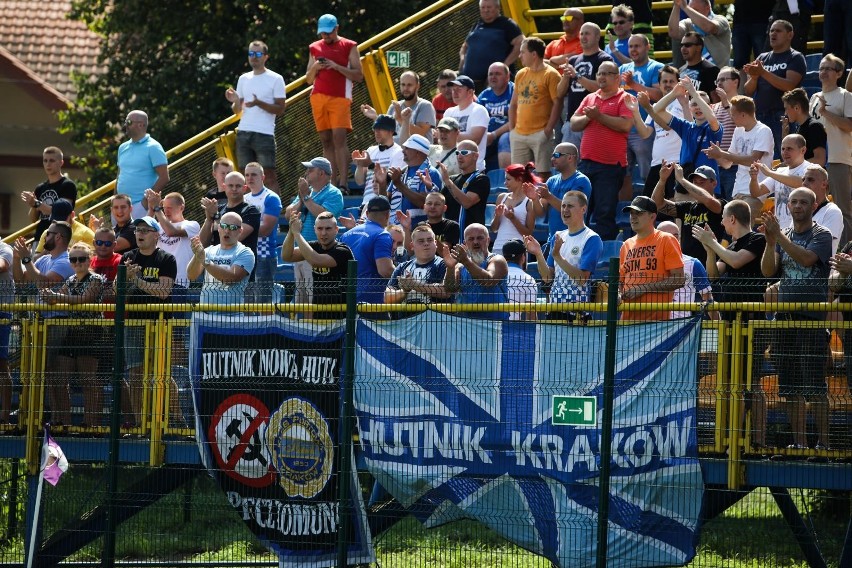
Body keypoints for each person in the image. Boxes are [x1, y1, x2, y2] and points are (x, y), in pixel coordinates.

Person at [760, 188, 832, 450]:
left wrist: (778, 235)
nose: (798, 206)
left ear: (813, 206)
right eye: (794, 202)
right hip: (784, 318)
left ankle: (824, 444)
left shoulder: (821, 235)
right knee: (789, 386)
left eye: (804, 202)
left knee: (815, 386)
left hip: (811, 318)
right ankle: (799, 443)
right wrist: (770, 243)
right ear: (788, 206)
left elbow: (805, 260)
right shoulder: (783, 236)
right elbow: (768, 271)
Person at [693, 200, 770, 447]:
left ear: (733, 219)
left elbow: (736, 261)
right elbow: (713, 275)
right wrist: (709, 249)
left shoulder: (756, 240)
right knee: (730, 382)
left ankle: (758, 440)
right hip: (729, 324)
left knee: (752, 383)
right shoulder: (732, 244)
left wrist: (714, 242)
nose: (722, 222)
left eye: (724, 218)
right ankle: (730, 437)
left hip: (752, 323)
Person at [12, 221, 75, 426]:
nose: (44, 237)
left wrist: (28, 258)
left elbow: (44, 282)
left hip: (57, 322)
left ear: (58, 237)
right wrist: (16, 257)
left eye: (48, 233)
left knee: (53, 373)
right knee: (47, 372)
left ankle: (61, 420)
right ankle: (55, 418)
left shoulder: (65, 261)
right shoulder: (44, 259)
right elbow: (21, 280)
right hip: (41, 322)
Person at [40, 243, 106, 427]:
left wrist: (57, 297)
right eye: (73, 259)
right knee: (59, 378)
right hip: (72, 332)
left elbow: (85, 299)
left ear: (89, 260)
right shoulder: (70, 281)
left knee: (88, 380)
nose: (77, 263)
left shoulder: (96, 279)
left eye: (81, 259)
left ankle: (90, 423)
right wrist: (49, 295)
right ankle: (65, 422)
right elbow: (56, 299)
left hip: (91, 333)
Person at [120, 216, 176, 429]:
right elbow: (118, 293)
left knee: (161, 374)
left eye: (145, 230)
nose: (140, 233)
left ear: (156, 235)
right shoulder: (128, 257)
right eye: (137, 230)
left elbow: (163, 292)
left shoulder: (166, 259)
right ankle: (140, 423)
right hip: (134, 325)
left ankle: (174, 420)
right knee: (135, 375)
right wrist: (125, 280)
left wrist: (137, 280)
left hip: (160, 324)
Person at [569, 60, 633, 241]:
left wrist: (598, 116)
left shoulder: (625, 98)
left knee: (605, 212)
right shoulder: (590, 98)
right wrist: (589, 118)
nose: (601, 77)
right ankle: (580, 246)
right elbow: (574, 123)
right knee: (581, 210)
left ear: (617, 78)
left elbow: (625, 125)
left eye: (606, 74)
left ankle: (605, 254)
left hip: (610, 166)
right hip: (587, 163)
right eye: (599, 73)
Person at [306, 13, 364, 190]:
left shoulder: (349, 45)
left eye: (329, 33)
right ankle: (330, 183)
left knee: (339, 138)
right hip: (318, 97)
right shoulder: (314, 47)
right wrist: (316, 66)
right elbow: (308, 79)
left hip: (340, 97)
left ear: (336, 28)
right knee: (326, 140)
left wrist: (336, 66)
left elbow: (359, 75)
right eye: (323, 33)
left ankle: (343, 182)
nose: (326, 36)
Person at [526, 191, 602, 321]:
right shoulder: (558, 236)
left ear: (583, 209)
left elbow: (582, 279)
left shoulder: (591, 238)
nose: (565, 210)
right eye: (563, 206)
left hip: (576, 314)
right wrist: (538, 253)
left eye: (570, 206)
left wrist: (558, 257)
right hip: (554, 311)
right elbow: (547, 277)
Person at [640, 77, 722, 192]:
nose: (697, 107)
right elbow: (658, 110)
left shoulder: (713, 127)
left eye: (701, 103)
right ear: (690, 108)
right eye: (694, 104)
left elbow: (712, 119)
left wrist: (694, 93)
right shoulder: (685, 127)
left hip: (707, 188)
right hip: (685, 187)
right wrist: (674, 93)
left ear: (710, 107)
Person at [224, 40, 286, 191]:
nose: (254, 57)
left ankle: (274, 212)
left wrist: (259, 103)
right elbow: (237, 110)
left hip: (264, 133)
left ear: (266, 57)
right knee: (245, 177)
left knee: (268, 175)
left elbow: (280, 109)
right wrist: (236, 100)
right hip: (244, 132)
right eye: (251, 53)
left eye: (258, 54)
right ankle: (247, 212)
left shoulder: (276, 78)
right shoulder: (244, 78)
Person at [283, 157, 344, 306]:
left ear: (321, 173)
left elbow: (323, 215)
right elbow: (287, 214)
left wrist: (305, 197)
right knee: (301, 299)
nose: (306, 173)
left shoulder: (334, 193)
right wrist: (302, 198)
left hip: (318, 252)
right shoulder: (306, 191)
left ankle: (312, 328)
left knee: (312, 299)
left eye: (310, 170)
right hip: (300, 251)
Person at [743, 20, 806, 159]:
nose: (773, 34)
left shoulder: (795, 57)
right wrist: (754, 77)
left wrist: (763, 72)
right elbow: (748, 91)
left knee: (785, 157)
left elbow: (790, 86)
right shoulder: (762, 58)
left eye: (778, 31)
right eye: (771, 30)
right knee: (760, 159)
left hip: (783, 117)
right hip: (759, 115)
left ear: (790, 35)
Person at [705, 95, 774, 216]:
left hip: (755, 193)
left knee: (741, 228)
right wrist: (717, 155)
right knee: (730, 227)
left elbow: (753, 160)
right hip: (737, 191)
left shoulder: (763, 130)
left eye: (733, 114)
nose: (731, 117)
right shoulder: (738, 131)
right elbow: (727, 164)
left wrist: (722, 153)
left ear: (743, 114)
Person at [619, 196, 685, 321]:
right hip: (627, 323)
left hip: (655, 326)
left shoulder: (666, 239)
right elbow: (621, 282)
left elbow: (679, 280)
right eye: (631, 213)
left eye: (638, 213)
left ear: (652, 216)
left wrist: (643, 289)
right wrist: (618, 295)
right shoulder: (626, 245)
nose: (633, 217)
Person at [809, 54, 852, 243]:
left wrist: (825, 112)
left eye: (828, 69)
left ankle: (845, 252)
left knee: (843, 209)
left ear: (839, 73)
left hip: (838, 159)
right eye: (821, 68)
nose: (823, 72)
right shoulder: (814, 97)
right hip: (815, 162)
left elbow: (849, 125)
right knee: (815, 205)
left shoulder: (846, 96)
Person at [281, 211, 352, 319]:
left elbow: (316, 260)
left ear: (336, 230)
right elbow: (287, 256)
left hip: (341, 317)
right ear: (315, 229)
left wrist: (297, 234)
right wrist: (291, 231)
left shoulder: (342, 251)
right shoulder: (314, 246)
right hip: (318, 315)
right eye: (320, 229)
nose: (323, 233)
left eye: (328, 228)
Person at [651, 162, 724, 265]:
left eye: (702, 182)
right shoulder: (687, 207)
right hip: (687, 266)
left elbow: (708, 200)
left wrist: (681, 180)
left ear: (714, 183)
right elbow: (657, 204)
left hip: (710, 266)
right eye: (695, 182)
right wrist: (662, 180)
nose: (697, 185)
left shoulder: (720, 204)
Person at [509, 37, 561, 174]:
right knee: (518, 174)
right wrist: (512, 130)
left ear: (534, 54)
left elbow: (558, 103)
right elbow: (513, 104)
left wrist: (548, 130)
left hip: (541, 133)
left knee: (543, 174)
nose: (519, 56)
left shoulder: (551, 74)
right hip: (519, 134)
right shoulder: (521, 74)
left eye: (522, 52)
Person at [558, 23, 614, 148]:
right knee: (568, 163)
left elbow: (603, 88)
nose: (583, 37)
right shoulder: (573, 60)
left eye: (587, 33)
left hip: (595, 122)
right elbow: (560, 93)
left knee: (591, 164)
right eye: (581, 33)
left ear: (597, 37)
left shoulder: (604, 59)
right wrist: (566, 76)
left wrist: (577, 75)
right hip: (572, 121)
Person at [619, 34, 664, 187]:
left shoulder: (656, 67)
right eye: (631, 46)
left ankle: (650, 206)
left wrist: (633, 84)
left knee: (649, 175)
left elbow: (659, 95)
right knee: (623, 176)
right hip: (623, 129)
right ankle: (624, 209)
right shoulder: (622, 69)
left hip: (645, 130)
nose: (633, 50)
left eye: (637, 46)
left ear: (647, 47)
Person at [442, 223, 509, 320]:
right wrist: (450, 267)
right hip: (468, 325)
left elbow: (488, 281)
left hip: (495, 324)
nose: (475, 242)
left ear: (488, 240)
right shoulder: (460, 266)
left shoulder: (497, 260)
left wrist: (466, 261)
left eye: (480, 238)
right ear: (465, 243)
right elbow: (450, 289)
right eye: (471, 239)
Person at [187, 212, 256, 307]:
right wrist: (197, 254)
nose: (227, 231)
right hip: (205, 314)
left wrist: (205, 261)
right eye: (224, 226)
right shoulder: (208, 251)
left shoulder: (245, 253)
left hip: (231, 316)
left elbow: (231, 279)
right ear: (219, 228)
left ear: (240, 231)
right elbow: (191, 276)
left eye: (232, 228)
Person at [639, 66, 688, 199]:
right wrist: (633, 111)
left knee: (672, 207)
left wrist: (648, 107)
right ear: (659, 85)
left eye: (671, 81)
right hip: (658, 163)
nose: (667, 85)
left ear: (678, 83)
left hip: (676, 162)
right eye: (664, 82)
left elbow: (667, 126)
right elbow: (645, 133)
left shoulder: (683, 103)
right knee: (648, 206)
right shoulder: (656, 106)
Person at [748, 134, 811, 229]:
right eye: (783, 149)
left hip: (801, 230)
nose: (785, 152)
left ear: (803, 150)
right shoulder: (779, 172)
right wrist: (753, 178)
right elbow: (756, 192)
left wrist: (770, 173)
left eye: (789, 149)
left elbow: (802, 182)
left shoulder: (811, 169)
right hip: (780, 231)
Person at [458, 0, 524, 91]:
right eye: (483, 7)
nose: (486, 10)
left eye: (489, 7)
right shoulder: (477, 24)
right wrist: (462, 63)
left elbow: (521, 43)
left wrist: (504, 66)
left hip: (494, 82)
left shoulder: (507, 24)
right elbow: (465, 46)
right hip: (470, 82)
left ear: (498, 8)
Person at [340, 196, 395, 304]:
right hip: (371, 300)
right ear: (388, 214)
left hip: (346, 298)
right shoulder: (382, 235)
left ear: (368, 213)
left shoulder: (346, 234)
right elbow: (385, 270)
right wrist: (403, 278)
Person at [655, 221, 715, 319]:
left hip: (682, 328)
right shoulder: (647, 264)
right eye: (666, 237)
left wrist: (718, 328)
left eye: (675, 236)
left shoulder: (693, 264)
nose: (672, 240)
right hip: (652, 327)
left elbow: (708, 299)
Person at [117, 110, 170, 219]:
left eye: (129, 122)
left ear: (141, 124)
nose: (125, 125)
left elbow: (164, 177)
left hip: (140, 207)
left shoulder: (153, 147)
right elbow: (119, 176)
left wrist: (144, 203)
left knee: (138, 236)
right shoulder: (122, 147)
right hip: (120, 207)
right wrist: (115, 200)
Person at [20, 146, 77, 245]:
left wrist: (36, 203)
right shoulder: (40, 188)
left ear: (61, 163)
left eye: (52, 160)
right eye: (45, 161)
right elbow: (33, 219)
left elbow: (62, 213)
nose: (48, 164)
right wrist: (33, 204)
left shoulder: (68, 185)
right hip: (40, 238)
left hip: (59, 238)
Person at [242, 162, 282, 302]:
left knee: (262, 302)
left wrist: (242, 228)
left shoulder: (271, 197)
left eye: (254, 174)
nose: (249, 178)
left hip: (264, 255)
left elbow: (265, 230)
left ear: (262, 177)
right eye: (247, 175)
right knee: (246, 302)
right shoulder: (244, 199)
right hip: (246, 254)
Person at [536, 143, 592, 243]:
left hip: (574, 240)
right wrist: (533, 198)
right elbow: (540, 212)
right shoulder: (551, 181)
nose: (553, 159)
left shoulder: (581, 180)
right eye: (552, 155)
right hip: (553, 240)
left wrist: (548, 196)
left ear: (570, 158)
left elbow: (571, 210)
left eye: (557, 155)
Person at [361, 70, 436, 143]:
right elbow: (385, 135)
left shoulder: (425, 106)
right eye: (403, 85)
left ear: (417, 86)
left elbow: (420, 134)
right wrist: (375, 117)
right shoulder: (394, 107)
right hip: (395, 153)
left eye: (409, 85)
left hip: (417, 154)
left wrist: (400, 119)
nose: (405, 88)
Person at [384, 224, 449, 308]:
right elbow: (387, 298)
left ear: (435, 243)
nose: (426, 243)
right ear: (412, 246)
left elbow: (446, 291)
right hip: (406, 320)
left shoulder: (445, 264)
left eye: (430, 240)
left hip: (435, 320)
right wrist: (404, 291)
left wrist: (414, 285)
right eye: (421, 241)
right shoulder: (401, 267)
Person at [145, 191, 200, 287]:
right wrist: (151, 208)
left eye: (169, 208)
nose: (166, 211)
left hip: (178, 281)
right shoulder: (159, 225)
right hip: (156, 279)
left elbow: (172, 232)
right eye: (164, 208)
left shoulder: (192, 225)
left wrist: (157, 209)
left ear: (181, 208)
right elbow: (143, 232)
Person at [352, 114, 406, 211]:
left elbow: (390, 179)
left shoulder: (399, 152)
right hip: (366, 204)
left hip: (384, 204)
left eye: (380, 129)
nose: (376, 132)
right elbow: (359, 181)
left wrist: (370, 165)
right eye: (375, 129)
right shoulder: (370, 150)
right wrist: (360, 165)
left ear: (391, 131)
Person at [199, 171, 261, 255]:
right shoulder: (219, 209)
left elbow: (235, 238)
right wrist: (209, 219)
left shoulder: (251, 211)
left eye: (238, 186)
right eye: (230, 185)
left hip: (240, 264)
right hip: (216, 262)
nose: (234, 189)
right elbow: (202, 244)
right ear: (224, 187)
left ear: (245, 188)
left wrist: (216, 216)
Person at [383, 134, 441, 222]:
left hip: (420, 231)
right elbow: (385, 202)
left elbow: (424, 203)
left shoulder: (431, 173)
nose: (403, 151)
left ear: (418, 152)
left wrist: (399, 184)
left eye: (407, 148)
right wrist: (381, 183)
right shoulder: (401, 172)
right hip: (397, 228)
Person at [438, 140, 490, 233]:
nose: (459, 156)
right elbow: (439, 202)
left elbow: (467, 203)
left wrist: (447, 181)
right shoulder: (452, 179)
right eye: (457, 153)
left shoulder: (481, 179)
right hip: (451, 235)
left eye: (464, 153)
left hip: (472, 237)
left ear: (476, 156)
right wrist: (430, 187)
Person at [444, 75, 490, 171]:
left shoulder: (479, 110)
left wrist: (449, 135)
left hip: (473, 169)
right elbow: (442, 140)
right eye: (453, 89)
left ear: (470, 92)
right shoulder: (448, 112)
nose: (454, 92)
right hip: (449, 167)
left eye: (459, 89)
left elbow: (474, 140)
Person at [668, 0, 731, 68]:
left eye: (694, 10)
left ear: (707, 8)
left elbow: (709, 27)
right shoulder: (688, 23)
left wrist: (686, 8)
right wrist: (676, 6)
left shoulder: (720, 20)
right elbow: (673, 33)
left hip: (721, 74)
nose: (691, 13)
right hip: (695, 74)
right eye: (690, 9)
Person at [490, 163, 537, 254]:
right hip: (498, 248)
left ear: (519, 179)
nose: (505, 183)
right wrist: (497, 216)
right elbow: (494, 229)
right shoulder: (501, 197)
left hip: (518, 250)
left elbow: (528, 233)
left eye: (508, 179)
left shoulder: (529, 202)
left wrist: (513, 218)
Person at [712, 67, 742, 199]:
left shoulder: (743, 102)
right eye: (717, 80)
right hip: (716, 166)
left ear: (736, 82)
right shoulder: (714, 106)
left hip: (735, 167)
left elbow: (742, 124)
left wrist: (725, 102)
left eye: (723, 79)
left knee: (733, 206)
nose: (719, 83)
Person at [477, 62, 514, 170]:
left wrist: (493, 135)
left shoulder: (514, 91)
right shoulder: (484, 96)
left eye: (497, 74)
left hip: (508, 133)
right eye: (490, 74)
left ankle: (507, 179)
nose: (493, 77)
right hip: (487, 136)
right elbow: (476, 119)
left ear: (507, 76)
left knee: (504, 139)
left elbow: (515, 121)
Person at [802, 164, 844, 253]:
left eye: (810, 180)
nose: (804, 183)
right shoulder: (802, 211)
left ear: (824, 184)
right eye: (803, 179)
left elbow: (819, 249)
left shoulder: (832, 212)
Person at [781, 88, 827, 167]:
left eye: (786, 108)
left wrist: (792, 165)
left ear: (797, 108)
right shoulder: (799, 127)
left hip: (812, 178)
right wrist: (785, 132)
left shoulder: (814, 127)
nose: (785, 113)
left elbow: (820, 160)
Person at [500, 239, 538, 321]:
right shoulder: (529, 280)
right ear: (523, 257)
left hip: (491, 328)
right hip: (514, 330)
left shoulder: (495, 276)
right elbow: (531, 314)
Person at [732, 0, 775, 69]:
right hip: (740, 20)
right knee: (739, 62)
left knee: (763, 60)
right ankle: (740, 80)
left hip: (762, 20)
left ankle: (762, 79)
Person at [678, 31, 720, 98]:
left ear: (699, 47)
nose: (683, 48)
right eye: (682, 45)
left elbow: (716, 101)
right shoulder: (680, 70)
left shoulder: (711, 70)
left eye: (687, 45)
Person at [0, 242, 13, 424]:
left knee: (1, 365)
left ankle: (4, 416)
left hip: (2, 313)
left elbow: (1, 265)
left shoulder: (4, 249)